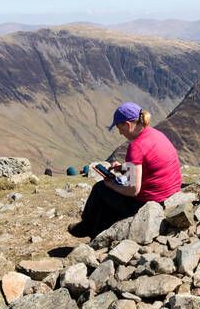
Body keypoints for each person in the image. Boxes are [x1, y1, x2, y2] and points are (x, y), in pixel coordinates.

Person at [68, 102, 182, 239]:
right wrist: (124, 168)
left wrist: (112, 185)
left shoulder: (136, 147)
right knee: (109, 199)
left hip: (150, 203)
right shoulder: (156, 134)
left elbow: (133, 190)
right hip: (170, 195)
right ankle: (95, 234)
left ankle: (86, 226)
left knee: (100, 189)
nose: (120, 132)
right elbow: (149, 167)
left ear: (127, 125)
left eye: (119, 127)